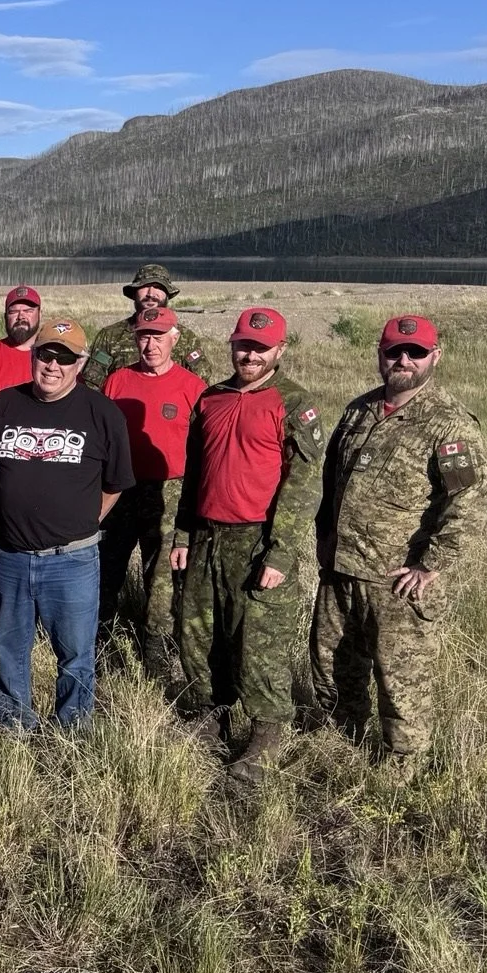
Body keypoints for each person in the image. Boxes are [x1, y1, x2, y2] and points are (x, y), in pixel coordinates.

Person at [312, 316, 487, 768]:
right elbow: (331, 480)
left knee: (401, 682)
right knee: (332, 667)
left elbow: (469, 499)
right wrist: (325, 538)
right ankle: (344, 743)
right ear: (380, 354)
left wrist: (430, 564)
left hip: (399, 581)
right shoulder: (358, 411)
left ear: (436, 356)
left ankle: (402, 768)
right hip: (342, 571)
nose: (404, 361)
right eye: (394, 351)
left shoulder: (449, 425)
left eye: (415, 352)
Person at [171, 306, 327, 770]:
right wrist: (183, 533)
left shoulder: (294, 403)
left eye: (261, 348)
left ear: (280, 349)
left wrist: (281, 552)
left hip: (259, 541)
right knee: (199, 635)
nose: (250, 355)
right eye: (243, 345)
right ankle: (210, 717)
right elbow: (194, 473)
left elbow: (303, 484)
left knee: (259, 644)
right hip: (206, 536)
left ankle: (265, 735)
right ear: (232, 346)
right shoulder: (210, 399)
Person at [0, 319, 134, 733]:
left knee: (76, 652)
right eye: (46, 354)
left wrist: (80, 523)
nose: (53, 366)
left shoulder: (103, 413)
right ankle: (13, 726)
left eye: (65, 358)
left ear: (80, 364)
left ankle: (72, 730)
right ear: (33, 355)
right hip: (10, 555)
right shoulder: (4, 404)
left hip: (72, 560)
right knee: (9, 648)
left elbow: (116, 484)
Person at [99, 305, 207, 675]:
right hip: (118, 490)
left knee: (160, 578)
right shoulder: (117, 382)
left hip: (170, 492)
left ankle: (156, 652)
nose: (150, 344)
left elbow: (203, 450)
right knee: (105, 566)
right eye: (144, 336)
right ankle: (101, 642)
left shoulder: (193, 388)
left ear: (174, 338)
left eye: (158, 336)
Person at [83, 264, 212, 390]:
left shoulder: (186, 337)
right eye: (144, 286)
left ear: (167, 294)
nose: (151, 293)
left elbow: (201, 384)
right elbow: (91, 385)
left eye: (158, 287)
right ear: (134, 293)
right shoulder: (110, 336)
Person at [0, 285, 42, 400]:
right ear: (5, 317)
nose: (21, 317)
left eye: (28, 311)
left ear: (40, 314)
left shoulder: (53, 358)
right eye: (14, 312)